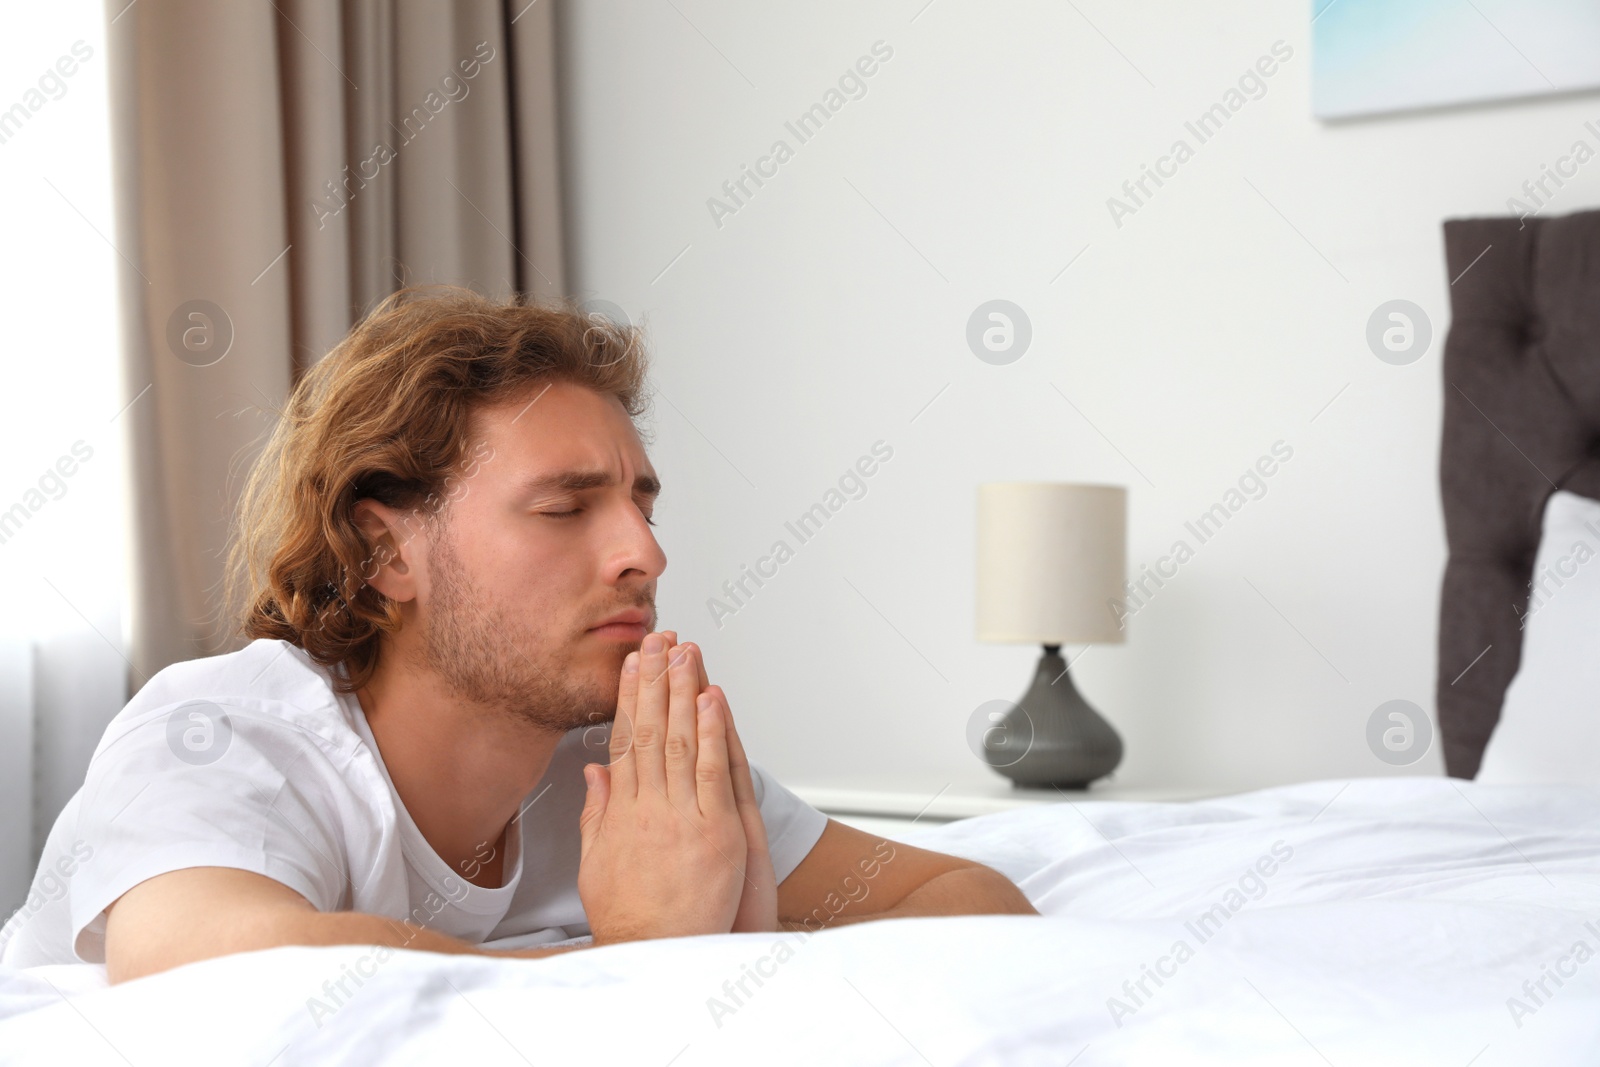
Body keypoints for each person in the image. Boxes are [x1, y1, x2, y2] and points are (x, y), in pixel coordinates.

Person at [0, 287, 1036, 982]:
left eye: (641, 501)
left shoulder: (628, 761)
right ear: (384, 552)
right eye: (565, 506)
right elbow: (212, 975)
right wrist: (640, 958)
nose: (644, 552)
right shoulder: (220, 733)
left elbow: (965, 893)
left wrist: (743, 950)